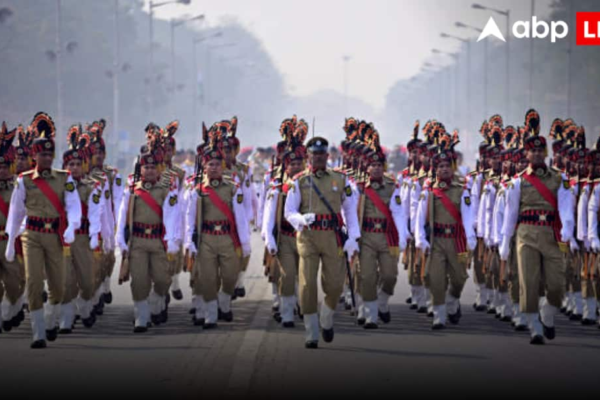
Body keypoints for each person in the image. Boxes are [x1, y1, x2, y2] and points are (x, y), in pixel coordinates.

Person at [5, 112, 82, 349]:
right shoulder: (24, 180)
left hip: (55, 237)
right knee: (34, 282)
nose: (46, 158)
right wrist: (11, 241)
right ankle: (38, 333)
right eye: (42, 154)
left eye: (50, 154)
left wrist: (72, 226)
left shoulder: (64, 178)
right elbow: (16, 212)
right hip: (31, 236)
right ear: (34, 155)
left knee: (58, 286)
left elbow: (74, 206)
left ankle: (50, 319)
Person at [499, 109, 575, 345]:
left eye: (540, 150)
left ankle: (547, 313)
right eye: (532, 151)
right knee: (528, 283)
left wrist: (568, 229)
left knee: (557, 285)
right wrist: (505, 242)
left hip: (552, 234)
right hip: (526, 234)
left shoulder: (559, 178)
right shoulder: (517, 182)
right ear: (526, 153)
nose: (537, 154)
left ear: (545, 152)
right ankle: (535, 328)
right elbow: (510, 214)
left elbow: (566, 206)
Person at [284, 136, 360, 349]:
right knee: (307, 284)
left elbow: (349, 210)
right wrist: (300, 219)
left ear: (327, 156)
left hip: (332, 236)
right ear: (308, 156)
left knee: (335, 284)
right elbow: (289, 211)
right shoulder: (299, 180)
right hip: (308, 237)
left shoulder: (340, 179)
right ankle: (311, 332)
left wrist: (353, 237)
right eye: (314, 154)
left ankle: (326, 315)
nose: (318, 157)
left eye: (321, 154)